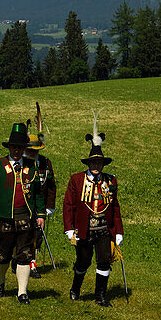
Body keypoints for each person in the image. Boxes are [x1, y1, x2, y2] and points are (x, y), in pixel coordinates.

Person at [0, 123, 46, 304]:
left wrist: (40, 214)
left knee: (25, 254)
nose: (17, 150)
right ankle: (0, 281)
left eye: (20, 147)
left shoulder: (32, 167)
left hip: (25, 218)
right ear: (9, 147)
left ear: (24, 149)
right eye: (14, 147)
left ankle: (22, 292)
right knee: (3, 254)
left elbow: (39, 193)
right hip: (4, 218)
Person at [62, 116, 122, 306]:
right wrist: (69, 228)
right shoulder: (77, 180)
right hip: (84, 229)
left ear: (103, 164)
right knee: (83, 262)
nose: (96, 166)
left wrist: (118, 231)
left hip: (105, 229)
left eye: (99, 163)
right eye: (93, 163)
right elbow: (68, 205)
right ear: (88, 164)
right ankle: (75, 289)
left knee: (104, 262)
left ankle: (100, 296)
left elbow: (115, 207)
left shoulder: (110, 181)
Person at [23, 107, 56, 278]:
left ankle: (33, 265)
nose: (32, 153)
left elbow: (51, 185)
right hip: (22, 206)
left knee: (36, 236)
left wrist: (50, 206)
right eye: (29, 150)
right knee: (22, 235)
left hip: (40, 206)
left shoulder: (45, 163)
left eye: (35, 151)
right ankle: (19, 260)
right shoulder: (19, 163)